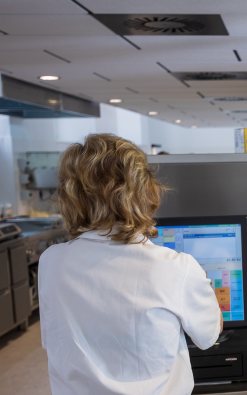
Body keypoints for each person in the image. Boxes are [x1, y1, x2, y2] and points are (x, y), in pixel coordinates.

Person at [39, 134, 222, 394]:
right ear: (144, 191)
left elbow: (55, 341)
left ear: (70, 196)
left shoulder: (51, 263)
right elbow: (208, 337)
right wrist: (202, 286)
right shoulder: (176, 267)